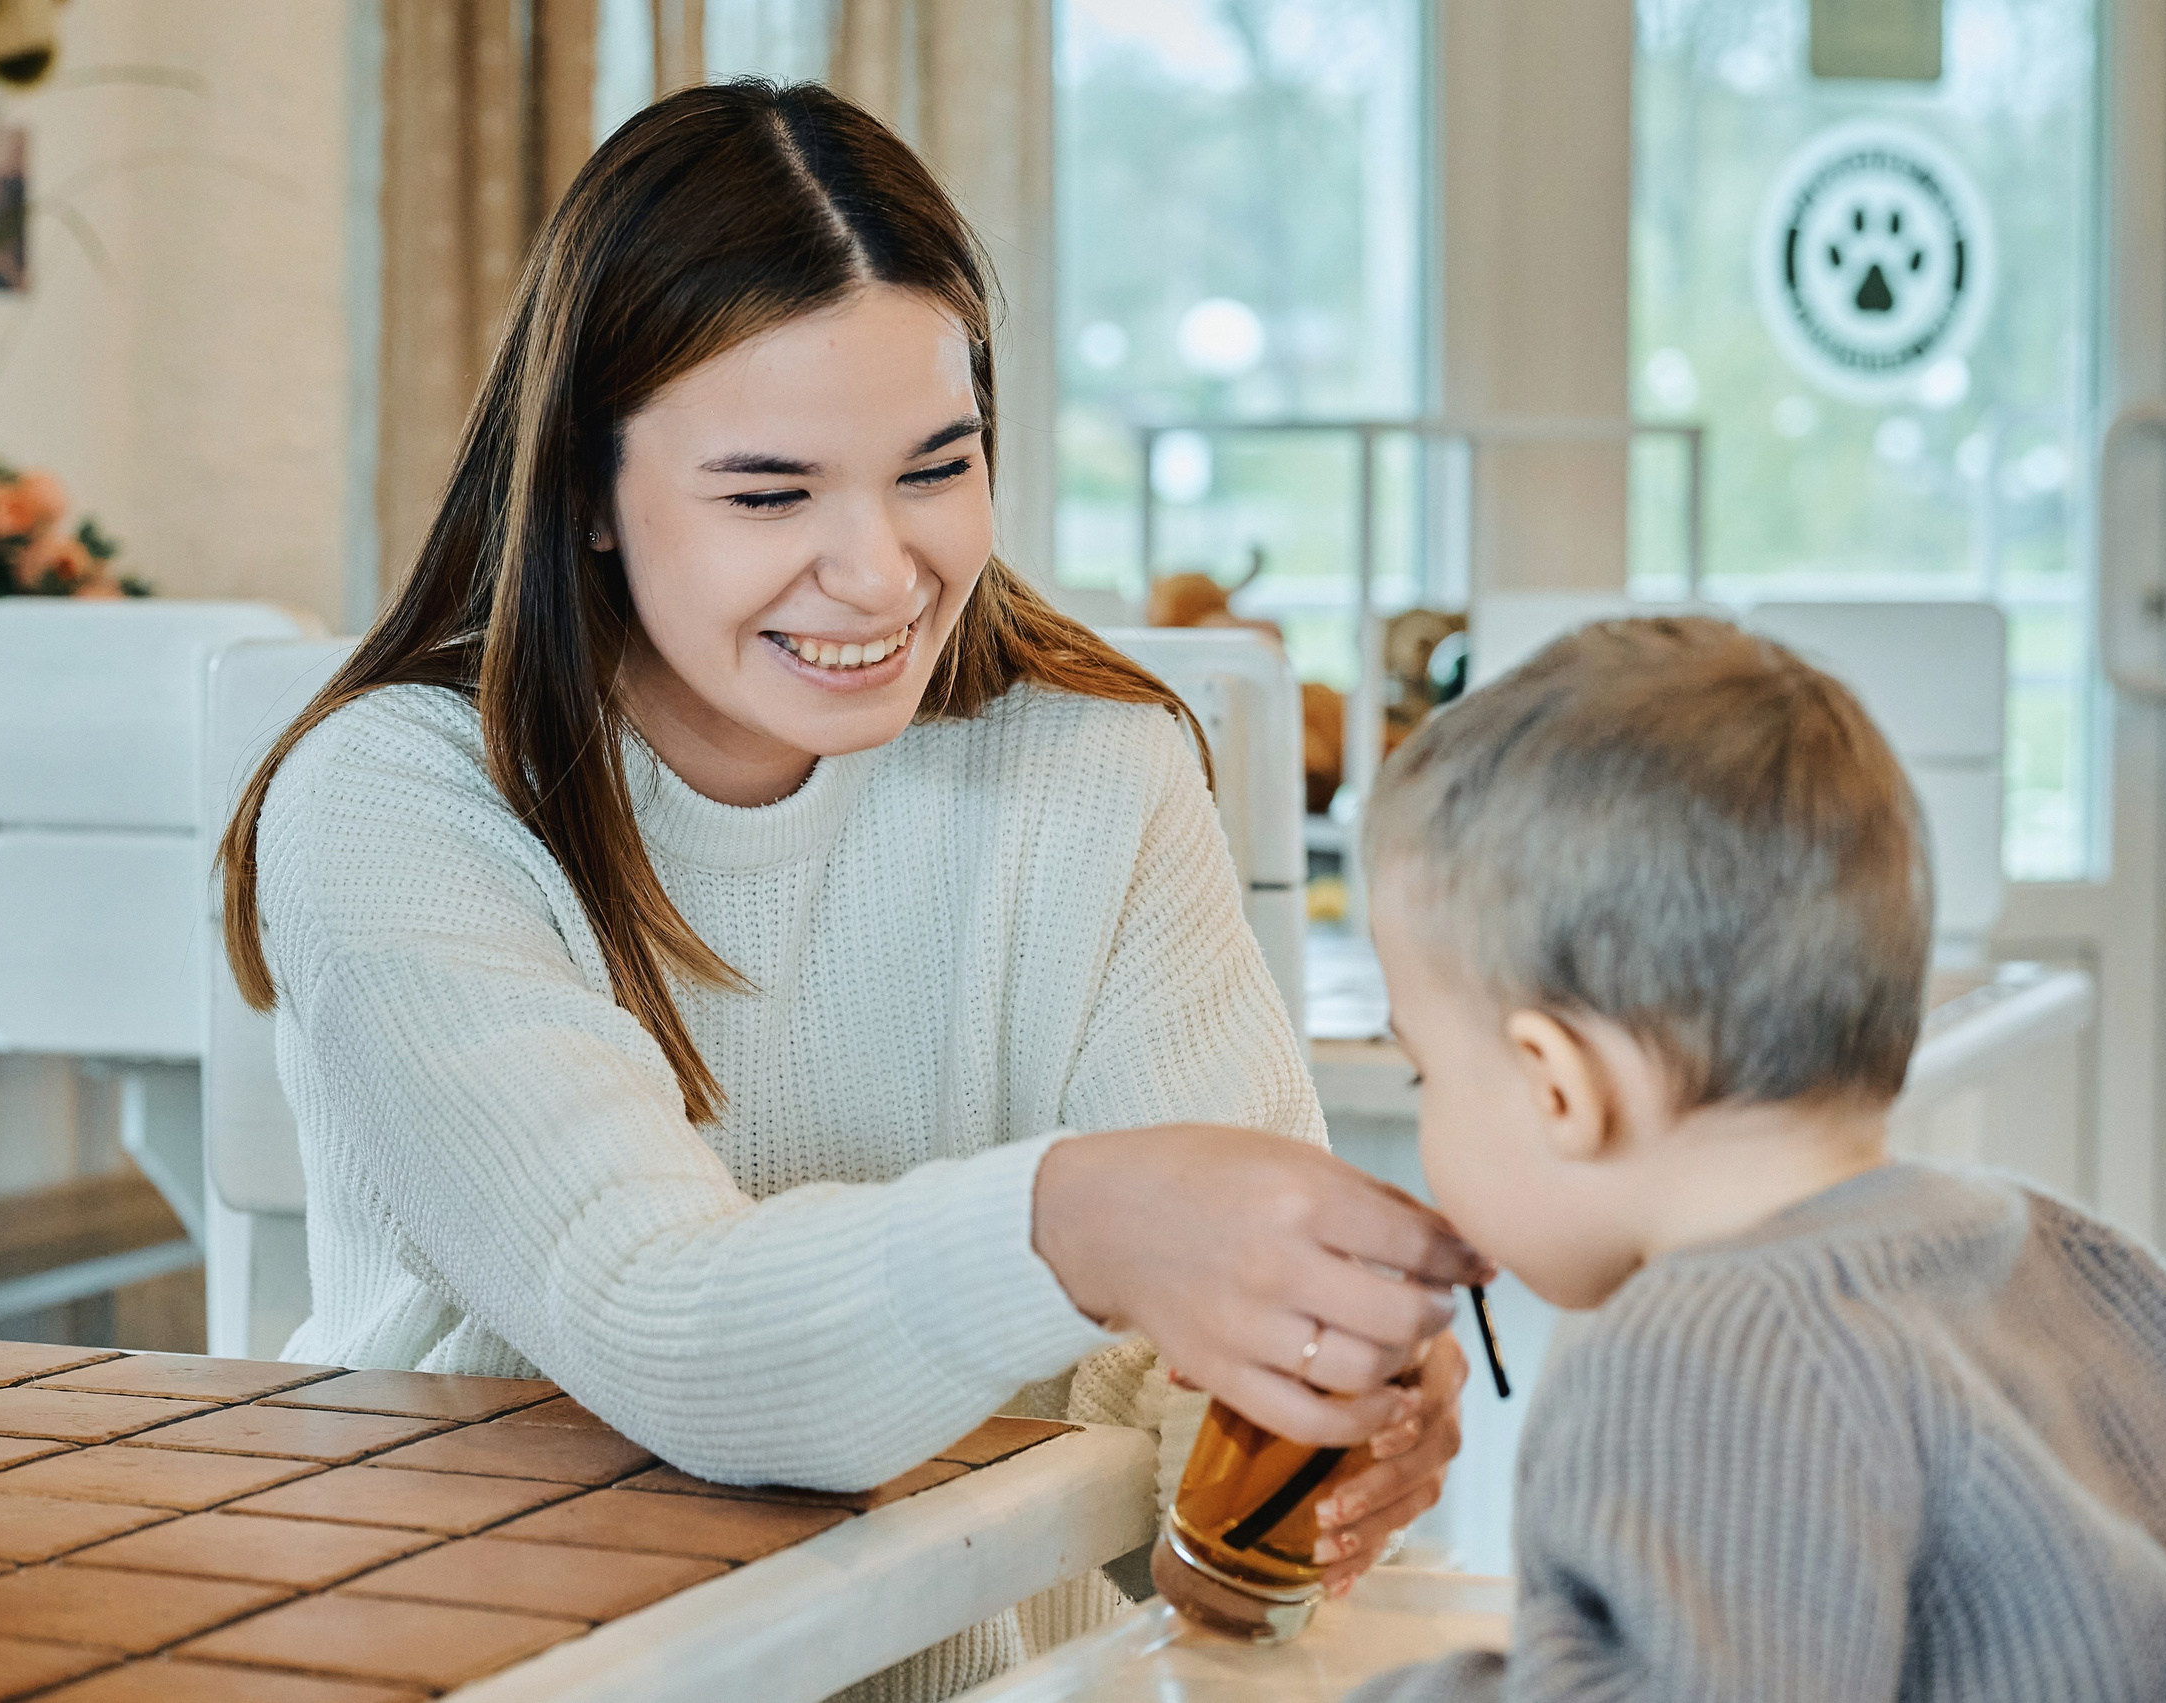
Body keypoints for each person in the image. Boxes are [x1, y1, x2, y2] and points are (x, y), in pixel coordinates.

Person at [215, 80, 1478, 1699]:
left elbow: (1194, 1420)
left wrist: (1304, 1440)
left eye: (936, 468)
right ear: (590, 493)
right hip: (493, 1659)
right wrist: (1084, 1216)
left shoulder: (1094, 765)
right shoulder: (407, 799)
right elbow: (659, 1316)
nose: (882, 571)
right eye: (771, 492)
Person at [1348, 617, 2166, 1702]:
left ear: (1561, 1084)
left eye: (1425, 1076)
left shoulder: (1705, 1347)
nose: (1424, 1121)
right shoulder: (2072, 1257)